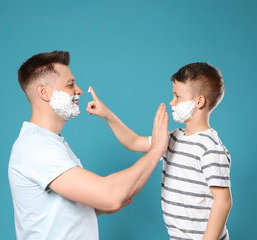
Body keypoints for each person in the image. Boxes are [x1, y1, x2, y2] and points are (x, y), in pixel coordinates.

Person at [8, 50, 169, 240]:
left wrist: (98, 207)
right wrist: (156, 149)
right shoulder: (37, 146)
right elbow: (110, 196)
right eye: (70, 84)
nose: (79, 90)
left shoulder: (52, 142)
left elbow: (60, 213)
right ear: (44, 92)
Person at [86, 62, 232, 240]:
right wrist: (107, 114)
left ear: (199, 101)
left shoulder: (210, 147)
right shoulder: (172, 138)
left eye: (177, 96)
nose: (172, 102)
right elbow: (133, 142)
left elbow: (223, 201)